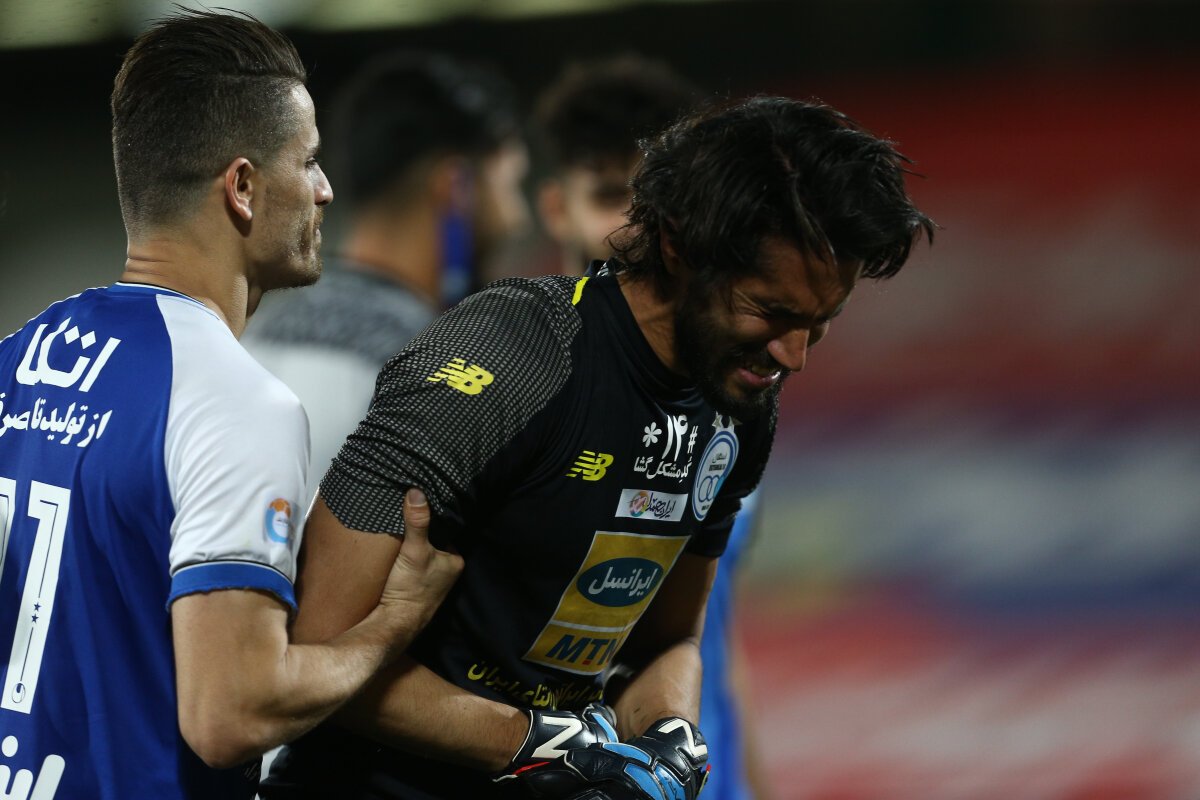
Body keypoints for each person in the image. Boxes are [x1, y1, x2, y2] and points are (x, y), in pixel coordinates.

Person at [260, 95, 934, 800]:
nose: (794, 356)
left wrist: (668, 738)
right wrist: (534, 743)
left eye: (821, 322)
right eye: (770, 311)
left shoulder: (739, 409)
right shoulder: (508, 358)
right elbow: (317, 649)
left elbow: (667, 642)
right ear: (678, 246)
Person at [0, 11, 460, 800]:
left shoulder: (18, 358)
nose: (325, 189)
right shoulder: (236, 404)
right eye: (306, 161)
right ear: (242, 187)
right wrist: (392, 625)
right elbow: (230, 715)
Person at [533, 55, 771, 800]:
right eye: (610, 195)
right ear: (555, 207)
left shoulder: (731, 403)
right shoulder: (513, 392)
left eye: (655, 197)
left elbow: (713, 641)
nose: (636, 224)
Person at [244, 51, 531, 506]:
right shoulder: (437, 372)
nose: (519, 216)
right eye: (510, 185)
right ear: (454, 187)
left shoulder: (253, 336)